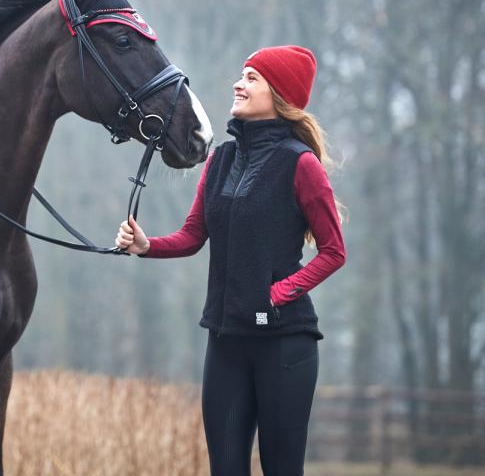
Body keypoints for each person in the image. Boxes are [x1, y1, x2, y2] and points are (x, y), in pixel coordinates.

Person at [116, 45, 346, 475]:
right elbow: (193, 234)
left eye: (253, 78)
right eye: (242, 75)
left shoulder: (302, 165)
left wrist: (280, 292)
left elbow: (334, 251)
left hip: (284, 343)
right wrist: (147, 246)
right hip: (225, 342)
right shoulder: (221, 158)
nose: (238, 84)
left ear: (279, 95)